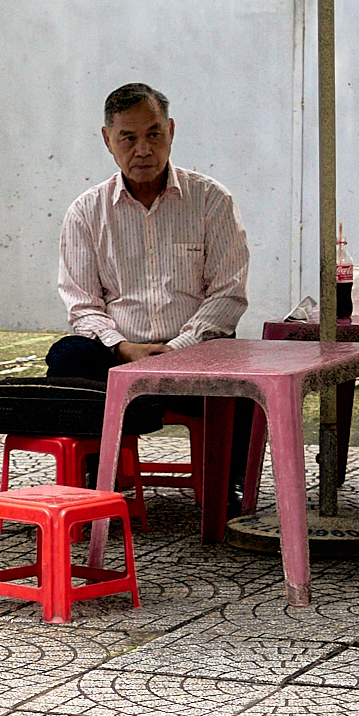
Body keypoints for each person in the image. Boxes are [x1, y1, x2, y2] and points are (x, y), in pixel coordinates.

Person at [46, 82, 254, 511]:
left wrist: (176, 350)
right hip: (117, 358)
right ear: (108, 140)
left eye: (153, 134)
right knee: (67, 357)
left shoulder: (212, 201)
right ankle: (94, 475)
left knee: (249, 373)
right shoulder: (86, 212)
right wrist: (124, 348)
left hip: (197, 355)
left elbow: (228, 293)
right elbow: (82, 304)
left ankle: (227, 487)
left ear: (171, 131)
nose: (142, 149)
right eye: (128, 137)